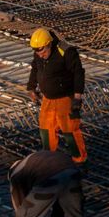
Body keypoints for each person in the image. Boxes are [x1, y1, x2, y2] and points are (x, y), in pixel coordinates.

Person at [26, 28, 87, 164]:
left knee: (70, 131)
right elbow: (35, 68)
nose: (40, 54)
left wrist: (77, 97)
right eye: (37, 51)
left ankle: (80, 161)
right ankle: (49, 159)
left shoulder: (65, 51)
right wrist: (31, 87)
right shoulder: (38, 53)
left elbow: (78, 73)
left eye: (42, 51)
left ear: (49, 44)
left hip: (66, 98)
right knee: (46, 130)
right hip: (48, 99)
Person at [9, 149, 84, 217]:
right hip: (73, 174)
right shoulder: (34, 160)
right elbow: (61, 204)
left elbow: (19, 205)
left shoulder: (15, 174)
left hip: (50, 179)